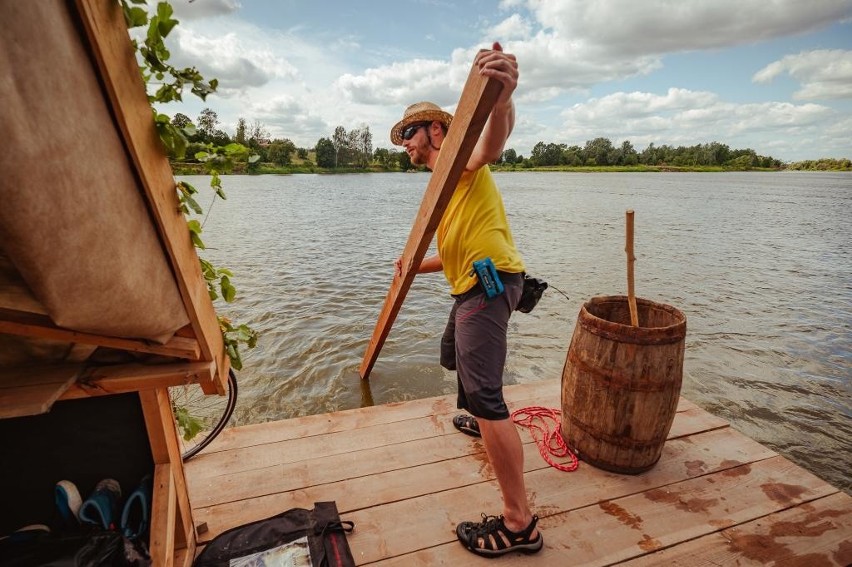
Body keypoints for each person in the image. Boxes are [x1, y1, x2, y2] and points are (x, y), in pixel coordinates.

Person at [390, 42, 542, 558]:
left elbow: (489, 145)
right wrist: (413, 265)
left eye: (411, 132)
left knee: (485, 392)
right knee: (450, 355)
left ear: (437, 130)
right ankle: (478, 419)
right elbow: (452, 253)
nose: (405, 143)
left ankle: (520, 524)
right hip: (471, 285)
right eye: (403, 136)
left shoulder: (459, 158)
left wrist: (500, 101)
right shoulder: (442, 186)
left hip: (490, 285)